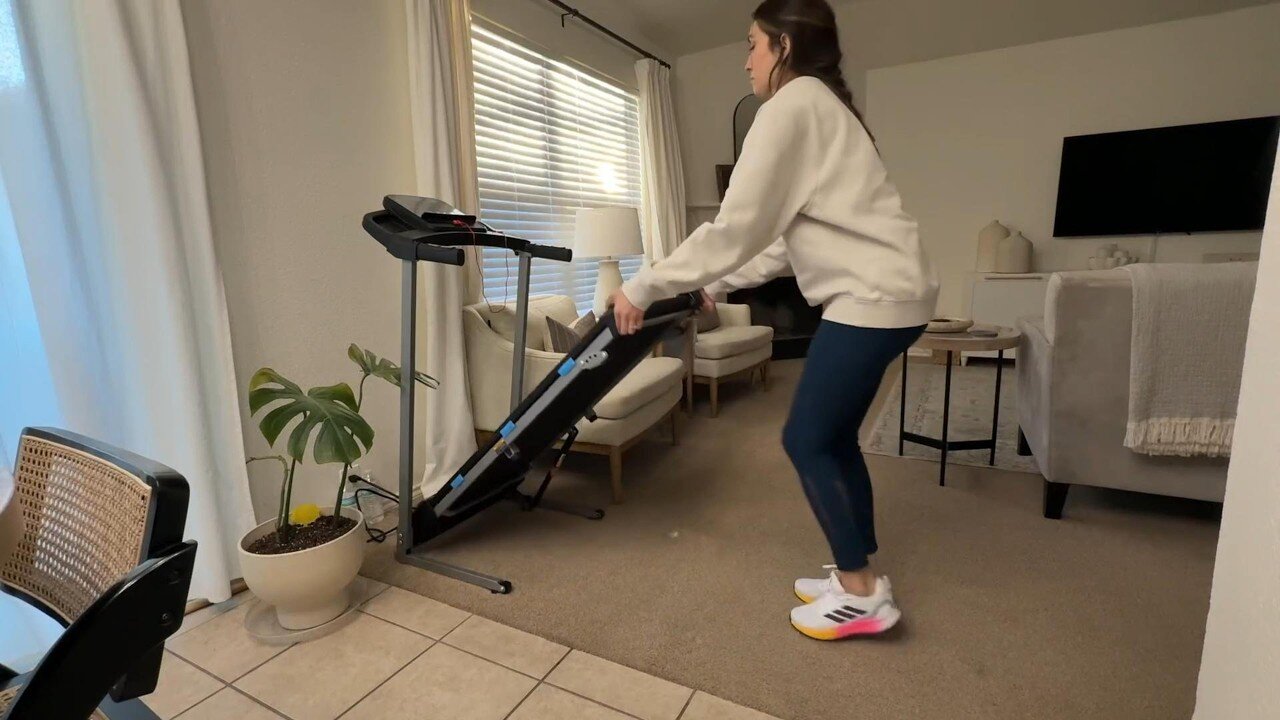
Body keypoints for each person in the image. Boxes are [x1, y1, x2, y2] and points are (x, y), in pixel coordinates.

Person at [611, 0, 938, 640]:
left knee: (806, 438)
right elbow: (784, 241)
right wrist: (714, 280)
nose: (747, 60)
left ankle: (864, 594)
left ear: (784, 46)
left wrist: (644, 286)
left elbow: (737, 226)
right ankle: (857, 574)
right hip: (891, 294)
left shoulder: (788, 108)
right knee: (833, 436)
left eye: (753, 45)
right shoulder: (821, 106)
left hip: (871, 299)